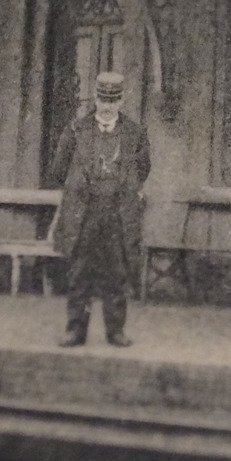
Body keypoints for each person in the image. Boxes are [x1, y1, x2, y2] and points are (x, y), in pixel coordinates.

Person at [52, 72, 152, 348]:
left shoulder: (135, 133)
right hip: (85, 213)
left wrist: (121, 190)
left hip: (117, 213)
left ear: (121, 101)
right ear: (95, 98)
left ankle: (115, 331)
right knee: (79, 273)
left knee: (116, 273)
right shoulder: (76, 130)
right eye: (102, 99)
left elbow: (143, 168)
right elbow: (59, 170)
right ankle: (75, 330)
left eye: (113, 100)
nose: (107, 106)